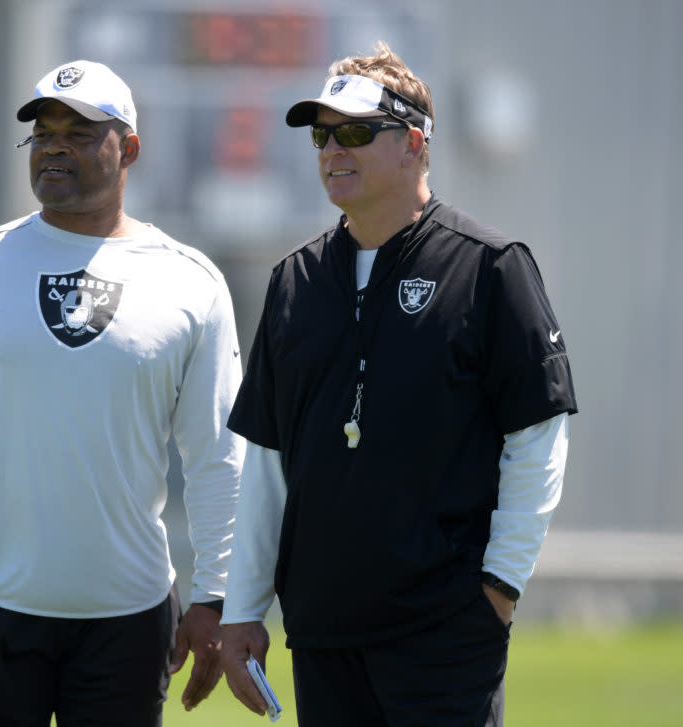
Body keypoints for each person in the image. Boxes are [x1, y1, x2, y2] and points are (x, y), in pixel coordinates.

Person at [0, 59, 245, 726]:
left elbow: (217, 457)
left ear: (131, 151)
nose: (55, 144)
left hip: (127, 616)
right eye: (43, 131)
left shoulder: (191, 283)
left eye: (81, 132)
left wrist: (217, 592)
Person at [219, 42, 578, 727]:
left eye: (355, 132)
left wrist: (499, 586)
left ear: (414, 143)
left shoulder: (491, 268)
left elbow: (538, 432)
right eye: (322, 134)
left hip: (444, 634)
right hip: (322, 636)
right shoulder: (293, 282)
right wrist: (243, 610)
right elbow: (266, 461)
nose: (332, 149)